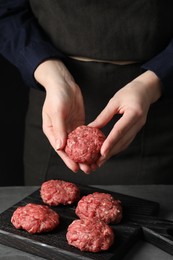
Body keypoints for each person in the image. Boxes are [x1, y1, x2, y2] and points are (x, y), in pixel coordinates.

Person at [0, 0, 173, 185]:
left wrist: (153, 82)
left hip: (157, 114)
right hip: (57, 111)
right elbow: (5, 9)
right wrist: (49, 72)